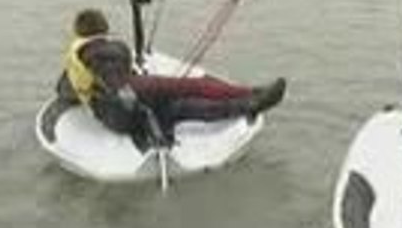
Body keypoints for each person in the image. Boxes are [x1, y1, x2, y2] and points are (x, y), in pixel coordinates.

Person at [59, 8, 286, 148]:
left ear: (79, 32)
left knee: (186, 107)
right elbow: (116, 83)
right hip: (131, 109)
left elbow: (65, 91)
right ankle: (250, 93)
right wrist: (138, 106)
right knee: (190, 87)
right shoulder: (100, 51)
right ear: (104, 29)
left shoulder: (75, 58)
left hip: (117, 120)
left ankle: (251, 105)